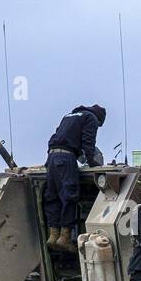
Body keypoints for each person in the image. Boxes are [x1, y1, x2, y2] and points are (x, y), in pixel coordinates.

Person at [44, 104, 106, 251]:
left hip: (52, 157)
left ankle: (53, 235)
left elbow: (55, 136)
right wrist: (93, 164)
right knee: (69, 196)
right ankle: (65, 237)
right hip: (66, 159)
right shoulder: (90, 118)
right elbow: (88, 143)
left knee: (52, 196)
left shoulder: (68, 116)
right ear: (99, 118)